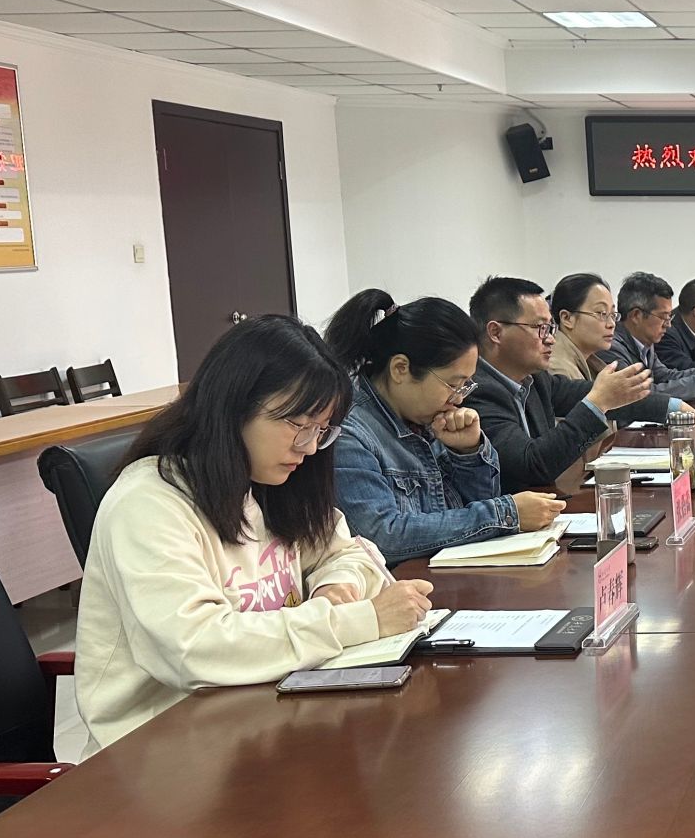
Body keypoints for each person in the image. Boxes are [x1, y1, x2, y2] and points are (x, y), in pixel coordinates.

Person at [76, 316, 435, 747]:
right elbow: (195, 648)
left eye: (321, 430)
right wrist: (358, 620)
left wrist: (335, 588)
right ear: (234, 406)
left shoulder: (267, 482)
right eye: (297, 424)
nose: (308, 447)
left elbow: (348, 551)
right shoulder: (149, 504)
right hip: (161, 748)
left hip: (262, 719)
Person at [325, 289, 563, 565]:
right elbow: (382, 537)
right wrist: (504, 513)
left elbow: (474, 517)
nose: (459, 399)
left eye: (466, 385)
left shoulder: (428, 417)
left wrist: (469, 453)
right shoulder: (350, 433)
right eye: (453, 384)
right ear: (400, 369)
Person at [469, 275, 695, 494]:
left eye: (550, 328)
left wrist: (673, 408)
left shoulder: (535, 379)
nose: (551, 339)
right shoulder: (477, 391)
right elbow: (532, 465)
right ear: (496, 333)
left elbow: (614, 395)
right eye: (540, 328)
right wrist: (598, 402)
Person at [545, 272, 695, 489]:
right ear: (566, 318)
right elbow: (570, 455)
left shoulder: (591, 358)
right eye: (601, 314)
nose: (611, 324)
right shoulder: (558, 367)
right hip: (574, 489)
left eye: (613, 315)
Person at [605, 272, 695, 401]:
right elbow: (639, 395)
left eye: (669, 317)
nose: (668, 325)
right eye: (663, 317)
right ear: (636, 315)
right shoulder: (612, 347)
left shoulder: (645, 343)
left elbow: (665, 376)